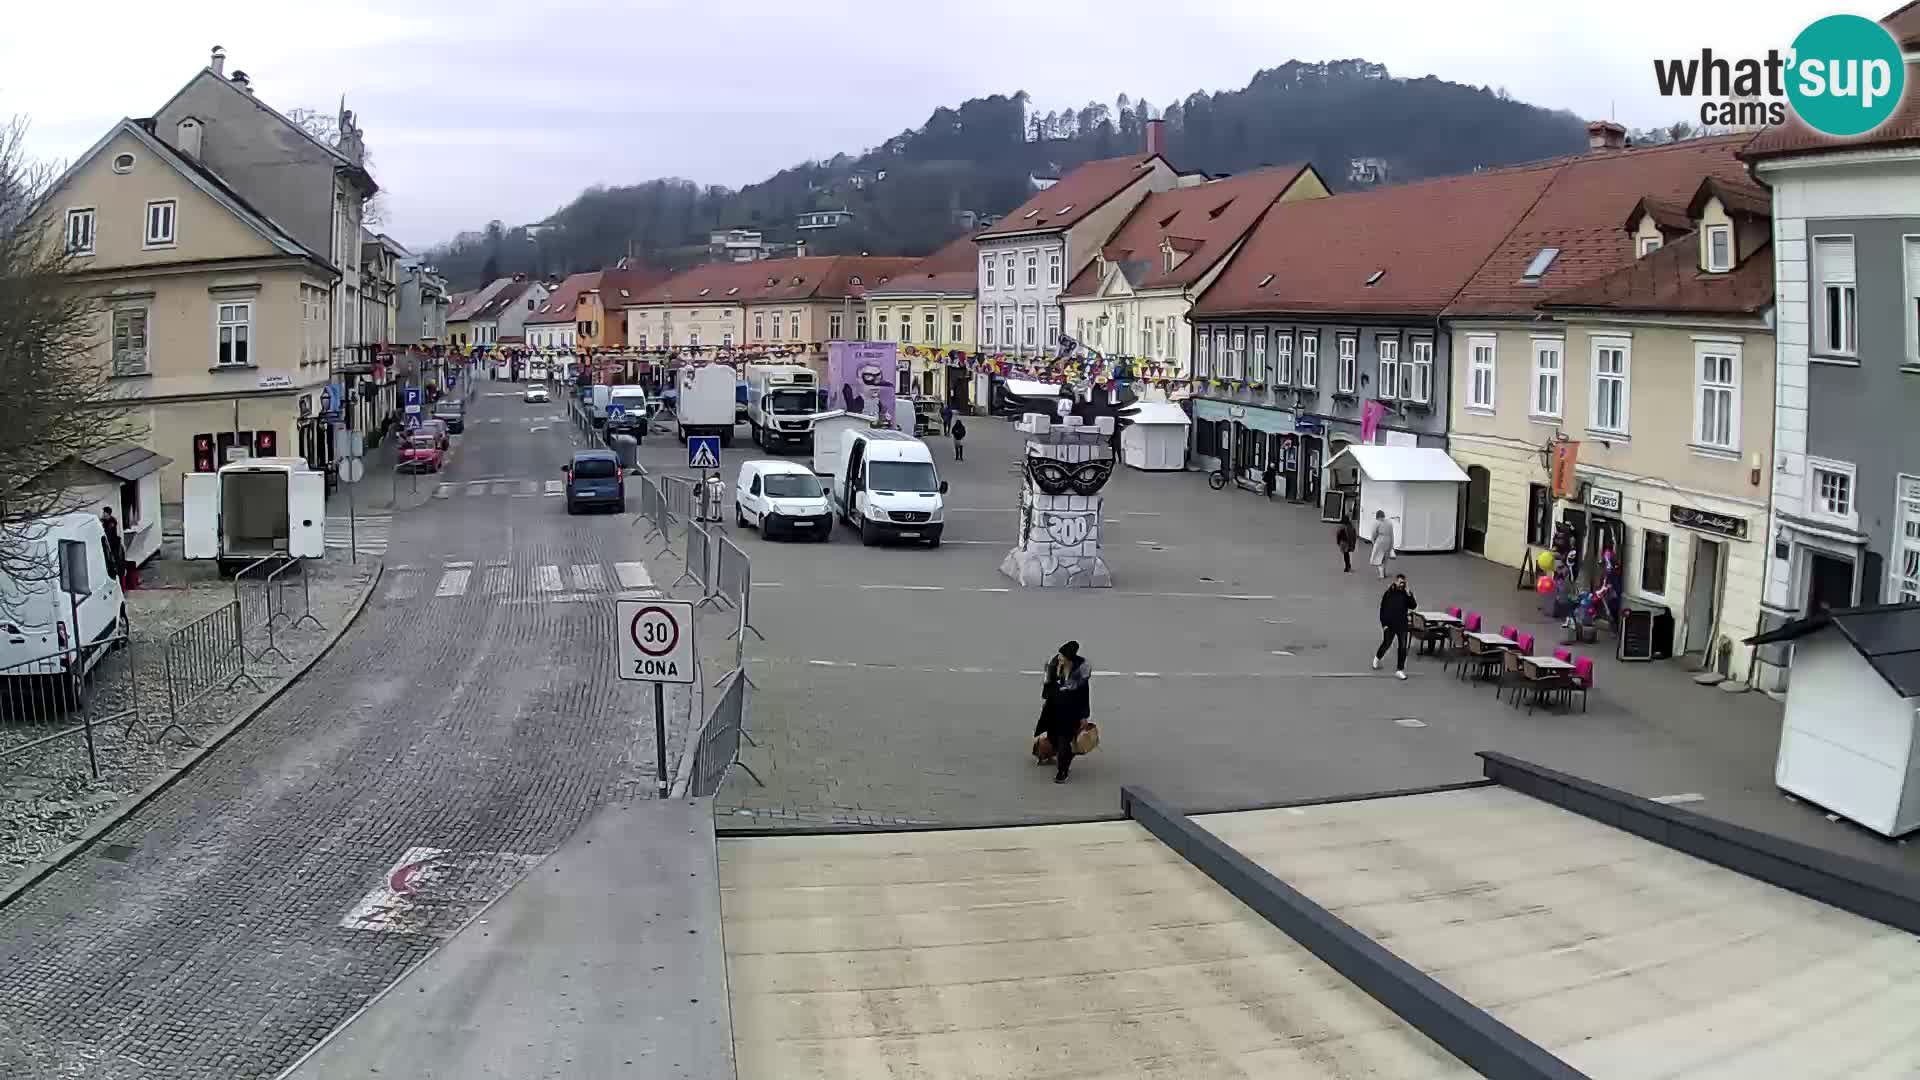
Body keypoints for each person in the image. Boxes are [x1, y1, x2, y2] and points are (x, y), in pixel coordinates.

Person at [1034, 641, 1092, 783]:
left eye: (1063, 656)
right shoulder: (1054, 665)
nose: (1059, 657)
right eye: (1060, 654)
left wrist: (1084, 716)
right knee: (1054, 738)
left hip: (1070, 713)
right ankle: (1058, 754)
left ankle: (1062, 771)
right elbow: (1047, 687)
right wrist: (1051, 692)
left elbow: (1084, 695)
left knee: (1064, 741)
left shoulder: (1079, 673)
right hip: (1053, 710)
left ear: (1070, 659)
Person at [1373, 573, 1417, 680]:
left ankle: (1400, 670)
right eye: (1400, 582)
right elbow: (1383, 610)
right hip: (1390, 625)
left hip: (1402, 625)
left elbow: (1413, 606)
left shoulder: (1406, 594)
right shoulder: (1389, 593)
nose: (1402, 584)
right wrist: (1384, 624)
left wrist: (1409, 594)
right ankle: (1377, 657)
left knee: (1402, 647)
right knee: (1386, 643)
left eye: (1403, 582)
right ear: (1395, 581)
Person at [99, 506, 125, 584]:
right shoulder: (103, 521)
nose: (103, 514)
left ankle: (119, 571)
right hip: (106, 541)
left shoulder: (112, 521)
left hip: (113, 542)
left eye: (104, 512)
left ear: (108, 513)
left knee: (116, 557)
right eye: (103, 513)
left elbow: (108, 532)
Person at [1368, 509, 1396, 579]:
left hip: (1380, 541)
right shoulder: (1389, 523)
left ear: (1377, 516)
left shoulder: (1377, 523)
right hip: (1388, 541)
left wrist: (1373, 542)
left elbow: (1373, 534)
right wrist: (1392, 545)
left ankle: (1381, 575)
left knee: (1378, 558)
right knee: (1385, 559)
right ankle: (1384, 573)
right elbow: (1392, 534)